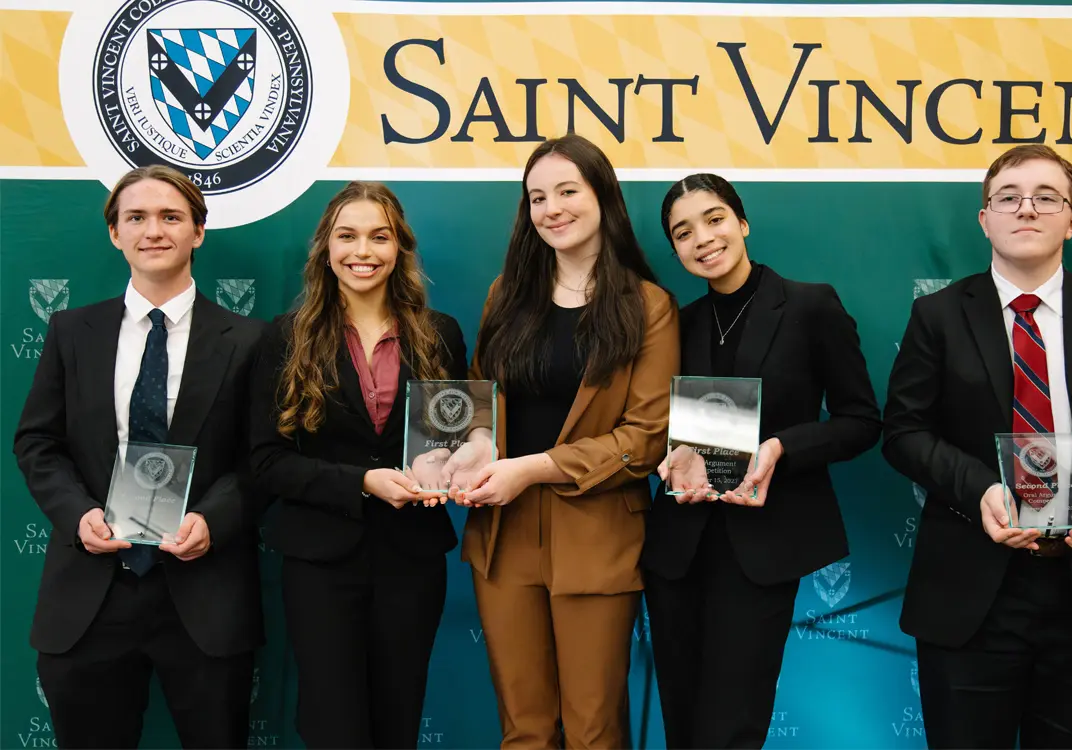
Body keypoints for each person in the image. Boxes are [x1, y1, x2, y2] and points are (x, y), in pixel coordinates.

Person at [883, 144, 1072, 748]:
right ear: (985, 218)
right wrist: (983, 491)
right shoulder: (938, 316)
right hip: (970, 590)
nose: (1027, 209)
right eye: (1008, 197)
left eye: (1046, 197)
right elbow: (903, 432)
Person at [12, 165, 265, 748]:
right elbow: (38, 443)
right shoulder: (72, 331)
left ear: (198, 231)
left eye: (171, 216)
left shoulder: (251, 340)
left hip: (204, 594)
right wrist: (78, 514)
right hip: (90, 594)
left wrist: (214, 519)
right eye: (137, 217)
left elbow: (263, 460)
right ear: (115, 234)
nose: (154, 230)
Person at [449, 134, 679, 748]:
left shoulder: (649, 305)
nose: (551, 209)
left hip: (598, 536)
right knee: (523, 729)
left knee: (593, 730)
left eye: (567, 191)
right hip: (502, 532)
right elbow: (481, 399)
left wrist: (532, 467)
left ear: (603, 194)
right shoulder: (506, 294)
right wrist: (475, 442)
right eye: (537, 198)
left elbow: (645, 439)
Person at [640, 173, 882, 748]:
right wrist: (667, 456)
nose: (702, 238)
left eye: (715, 218)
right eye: (683, 231)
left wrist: (781, 447)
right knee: (682, 718)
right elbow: (659, 425)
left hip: (763, 545)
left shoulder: (809, 305)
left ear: (743, 223)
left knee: (733, 725)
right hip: (679, 545)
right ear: (674, 249)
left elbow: (862, 421)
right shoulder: (679, 323)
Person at [248, 182, 466, 748]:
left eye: (380, 236)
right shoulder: (285, 338)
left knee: (397, 718)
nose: (362, 250)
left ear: (400, 248)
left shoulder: (440, 335)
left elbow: (455, 437)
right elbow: (266, 463)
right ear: (325, 247)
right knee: (332, 724)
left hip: (412, 557)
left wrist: (454, 467)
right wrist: (361, 483)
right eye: (347, 236)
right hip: (320, 560)